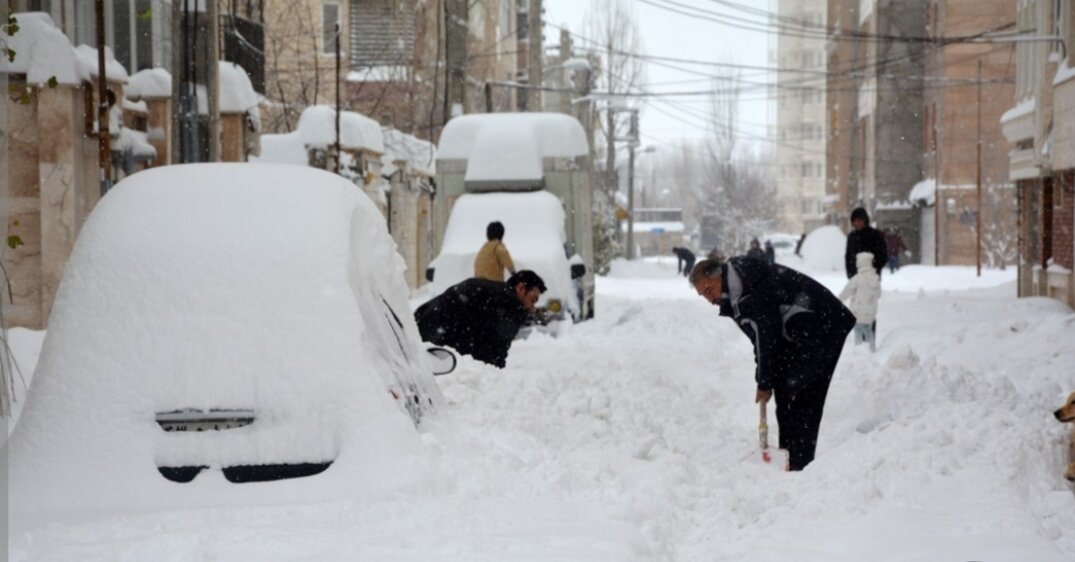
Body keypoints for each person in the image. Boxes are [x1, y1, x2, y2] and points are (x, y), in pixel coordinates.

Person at [690, 257, 855, 471]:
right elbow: (759, 339)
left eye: (708, 290)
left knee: (802, 393)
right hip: (800, 333)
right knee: (785, 390)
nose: (709, 299)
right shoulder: (735, 291)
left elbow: (767, 335)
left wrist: (764, 383)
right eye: (703, 295)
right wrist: (765, 378)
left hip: (822, 326)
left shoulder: (747, 287)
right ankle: (789, 457)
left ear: (717, 276)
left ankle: (800, 466)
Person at [414, 270, 546, 369]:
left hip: (419, 328)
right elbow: (494, 353)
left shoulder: (490, 290)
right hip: (437, 349)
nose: (531, 308)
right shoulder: (510, 305)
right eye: (532, 300)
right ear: (521, 288)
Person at [838, 252, 881, 352]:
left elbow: (846, 291)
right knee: (868, 330)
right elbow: (879, 294)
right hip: (871, 312)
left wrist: (839, 299)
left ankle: (859, 351)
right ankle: (871, 349)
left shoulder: (857, 279)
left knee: (858, 331)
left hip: (858, 311)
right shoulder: (875, 278)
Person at [844, 207, 887, 280]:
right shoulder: (852, 237)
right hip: (856, 276)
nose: (857, 223)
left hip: (872, 275)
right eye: (855, 221)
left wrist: (874, 267)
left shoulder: (875, 234)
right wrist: (851, 273)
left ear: (865, 220)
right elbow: (849, 256)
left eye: (859, 220)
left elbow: (883, 254)